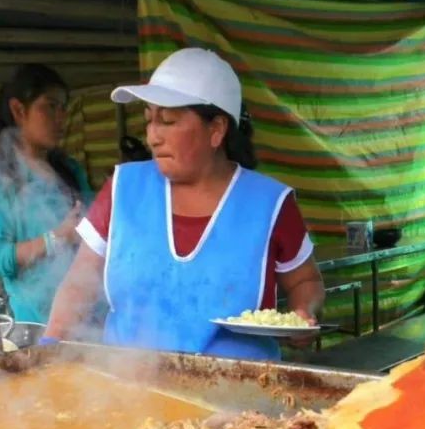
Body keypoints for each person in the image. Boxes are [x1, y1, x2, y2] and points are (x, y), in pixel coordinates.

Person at [44, 47, 324, 359]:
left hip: (242, 394)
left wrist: (303, 312)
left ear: (216, 130)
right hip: (128, 390)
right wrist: (47, 350)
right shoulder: (123, 189)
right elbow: (78, 286)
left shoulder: (270, 204)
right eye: (149, 120)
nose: (152, 136)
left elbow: (306, 280)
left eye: (168, 121)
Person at [0, 65, 92, 323]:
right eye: (50, 106)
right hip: (40, 322)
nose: (61, 117)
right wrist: (57, 238)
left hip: (90, 314)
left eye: (63, 107)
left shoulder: (70, 169)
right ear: (19, 110)